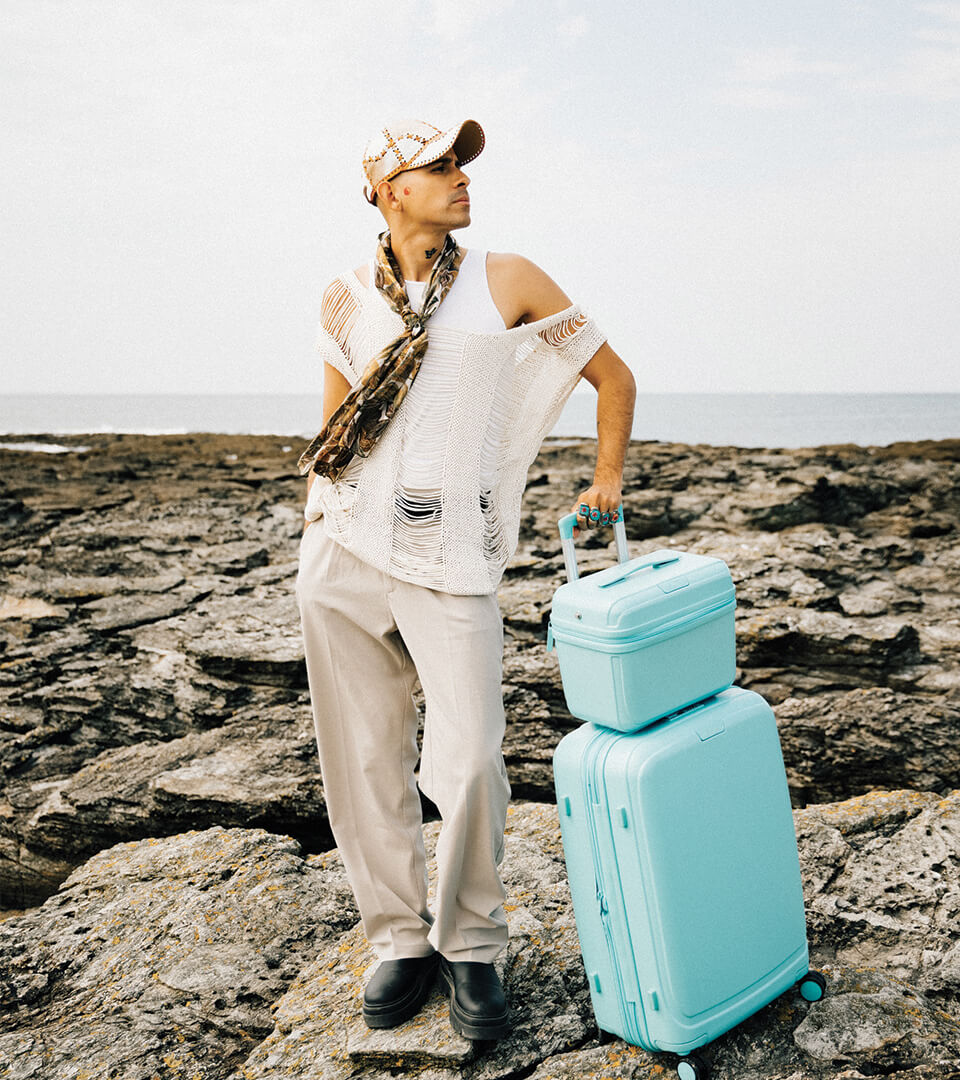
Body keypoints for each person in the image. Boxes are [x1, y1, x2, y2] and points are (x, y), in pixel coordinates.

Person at [295, 117, 635, 1042]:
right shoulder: (343, 296)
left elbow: (613, 377)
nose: (460, 178)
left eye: (462, 164)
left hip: (454, 556)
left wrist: (604, 480)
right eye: (438, 166)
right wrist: (317, 526)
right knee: (363, 757)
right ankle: (400, 939)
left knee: (476, 752)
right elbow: (336, 433)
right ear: (388, 190)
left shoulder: (508, 279)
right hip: (342, 550)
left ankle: (473, 942)